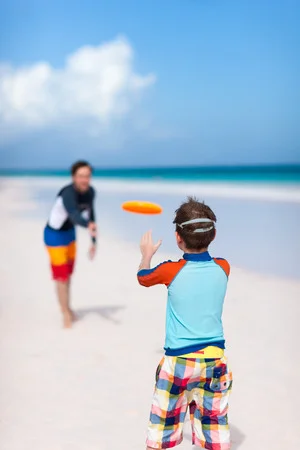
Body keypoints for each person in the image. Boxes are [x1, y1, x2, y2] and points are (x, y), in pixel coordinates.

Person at [137, 197, 233, 450]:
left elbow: (143, 278)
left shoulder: (171, 270)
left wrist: (146, 256)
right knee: (214, 431)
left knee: (161, 432)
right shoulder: (224, 267)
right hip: (215, 361)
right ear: (213, 235)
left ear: (178, 237)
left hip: (179, 361)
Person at [44, 160, 97, 329]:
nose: (84, 180)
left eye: (87, 176)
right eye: (81, 176)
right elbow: (74, 215)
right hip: (54, 235)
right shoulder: (68, 193)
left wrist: (93, 242)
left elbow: (91, 215)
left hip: (70, 235)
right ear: (74, 177)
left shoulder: (90, 192)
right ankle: (65, 313)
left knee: (68, 276)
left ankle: (67, 307)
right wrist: (87, 225)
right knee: (61, 277)